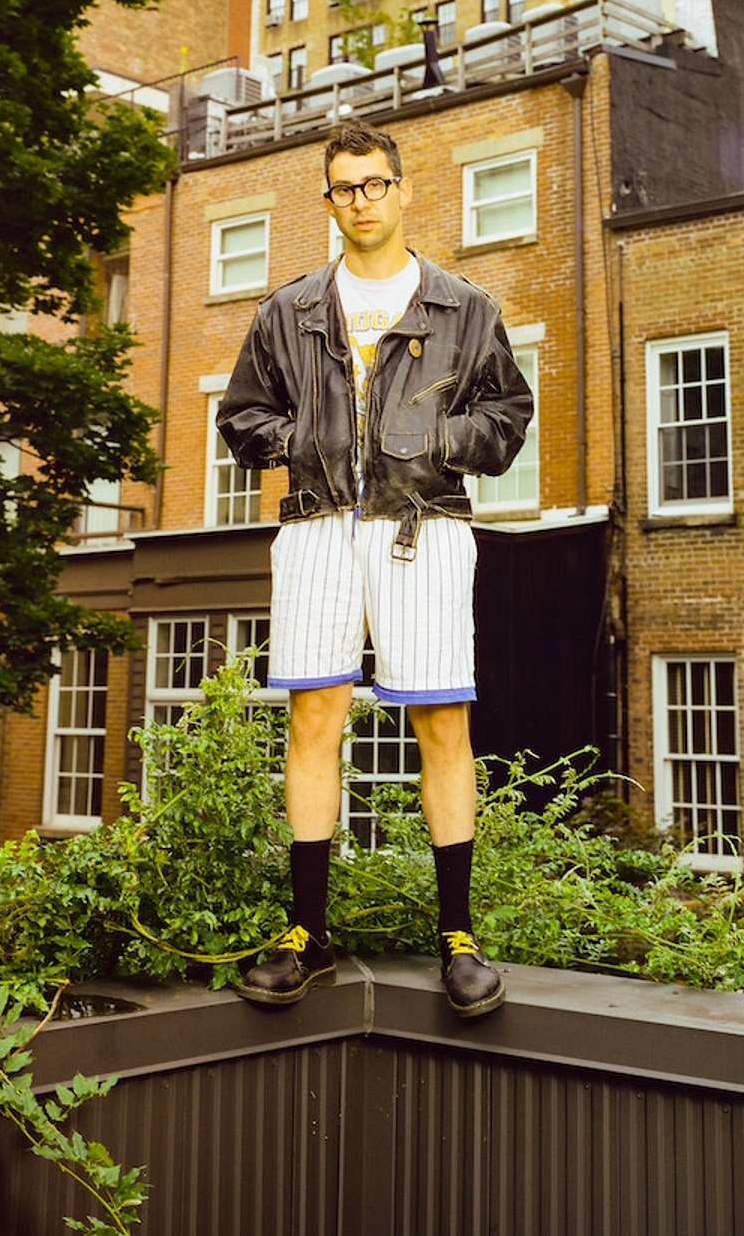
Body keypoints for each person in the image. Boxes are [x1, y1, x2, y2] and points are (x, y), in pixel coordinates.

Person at [217, 119, 533, 1017]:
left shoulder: (464, 306)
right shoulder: (288, 310)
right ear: (329, 200)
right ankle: (307, 934)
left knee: (443, 723)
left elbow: (508, 418)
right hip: (317, 527)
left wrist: (436, 436)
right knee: (315, 719)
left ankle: (458, 937)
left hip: (423, 525)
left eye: (374, 184)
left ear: (401, 190)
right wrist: (307, 439)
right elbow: (241, 417)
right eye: (343, 188)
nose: (360, 200)